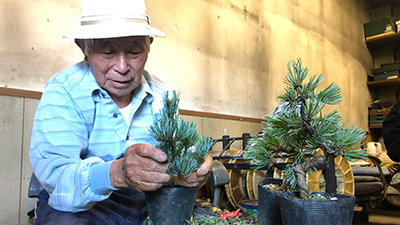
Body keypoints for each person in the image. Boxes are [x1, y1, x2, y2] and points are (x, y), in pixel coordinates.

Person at [29, 0, 213, 224]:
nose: (123, 67)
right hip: (88, 205)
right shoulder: (64, 91)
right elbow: (56, 178)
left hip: (153, 198)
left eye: (134, 52)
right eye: (107, 52)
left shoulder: (162, 94)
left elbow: (181, 153)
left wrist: (194, 166)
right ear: (83, 48)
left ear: (148, 46)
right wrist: (118, 173)